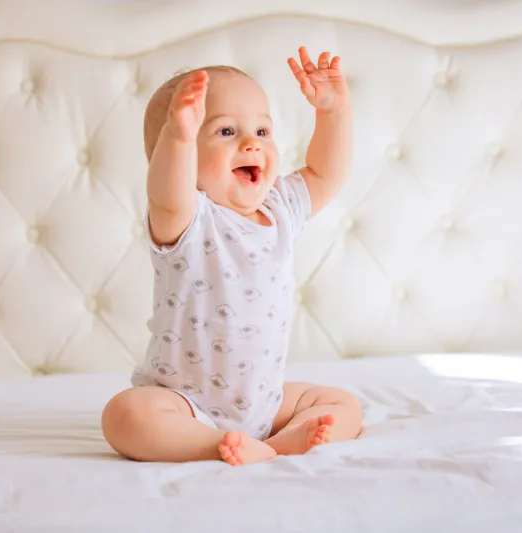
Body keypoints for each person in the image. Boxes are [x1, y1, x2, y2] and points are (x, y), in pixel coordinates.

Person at [102, 47, 362, 466]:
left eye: (262, 131)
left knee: (341, 403)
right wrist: (177, 136)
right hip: (184, 404)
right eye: (225, 132)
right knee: (126, 416)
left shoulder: (280, 209)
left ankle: (278, 443)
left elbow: (325, 173)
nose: (251, 144)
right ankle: (212, 444)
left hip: (264, 402)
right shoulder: (188, 218)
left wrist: (334, 112)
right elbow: (166, 192)